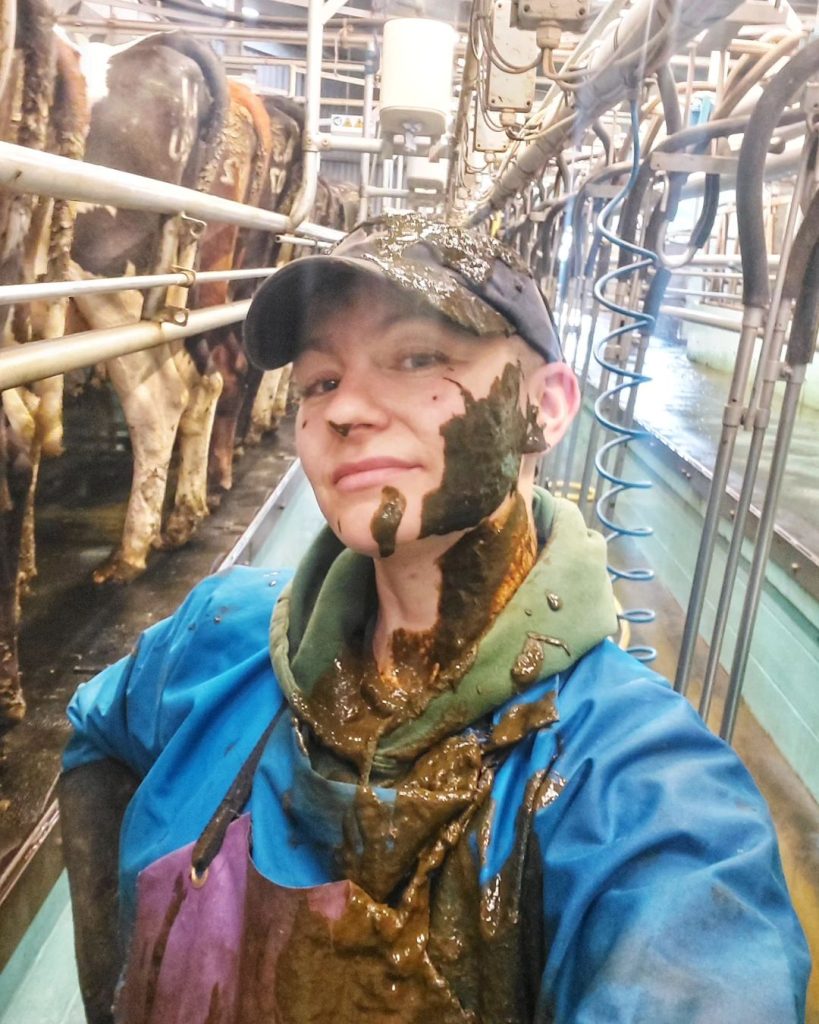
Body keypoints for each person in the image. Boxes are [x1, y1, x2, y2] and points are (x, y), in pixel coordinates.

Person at [60, 213, 810, 1024]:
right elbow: (96, 730)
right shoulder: (218, 637)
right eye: (319, 381)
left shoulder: (640, 788)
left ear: (545, 407)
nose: (346, 409)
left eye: (417, 358)